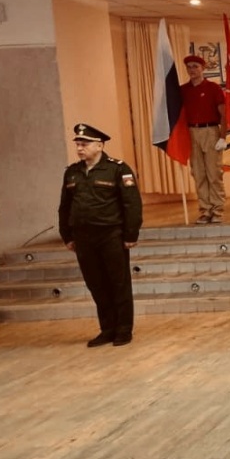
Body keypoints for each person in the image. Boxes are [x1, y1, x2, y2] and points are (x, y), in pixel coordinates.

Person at [58, 124, 143, 347]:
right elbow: (65, 206)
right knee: (96, 284)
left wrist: (130, 234)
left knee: (118, 283)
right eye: (78, 144)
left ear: (99, 145)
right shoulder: (72, 172)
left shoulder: (118, 169)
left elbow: (132, 204)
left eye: (84, 144)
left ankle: (123, 329)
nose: (80, 148)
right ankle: (107, 329)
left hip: (110, 234)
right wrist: (66, 235)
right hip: (83, 237)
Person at [180, 54, 227, 224]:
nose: (192, 69)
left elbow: (224, 114)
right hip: (192, 132)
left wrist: (223, 136)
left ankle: (217, 209)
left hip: (210, 131)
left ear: (203, 68)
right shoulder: (183, 90)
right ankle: (205, 210)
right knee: (198, 173)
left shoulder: (213, 88)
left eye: (196, 66)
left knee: (213, 173)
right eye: (189, 66)